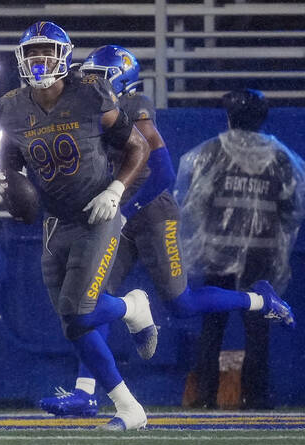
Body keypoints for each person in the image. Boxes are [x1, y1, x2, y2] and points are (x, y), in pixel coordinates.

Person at [39, 47, 297, 418]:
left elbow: (163, 173)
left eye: (98, 75)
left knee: (182, 303)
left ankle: (259, 300)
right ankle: (85, 392)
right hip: (117, 213)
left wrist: (126, 209)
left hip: (150, 213)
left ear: (121, 79)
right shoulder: (89, 111)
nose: (88, 82)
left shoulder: (133, 105)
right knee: (91, 300)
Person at [0, 21, 157, 431]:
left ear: (64, 56)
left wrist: (117, 190)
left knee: (79, 310)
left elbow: (137, 147)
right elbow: (10, 159)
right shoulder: (11, 106)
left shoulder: (90, 93)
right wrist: (2, 182)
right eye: (31, 52)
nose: (38, 60)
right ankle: (130, 403)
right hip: (54, 221)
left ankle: (132, 318)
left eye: (46, 51)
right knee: (72, 322)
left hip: (97, 213)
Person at [176, 88, 305, 410]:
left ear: (229, 115)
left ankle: (205, 398)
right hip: (261, 255)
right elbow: (291, 210)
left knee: (212, 325)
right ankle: (255, 397)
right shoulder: (282, 157)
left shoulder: (210, 153)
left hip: (217, 251)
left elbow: (192, 204)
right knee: (258, 327)